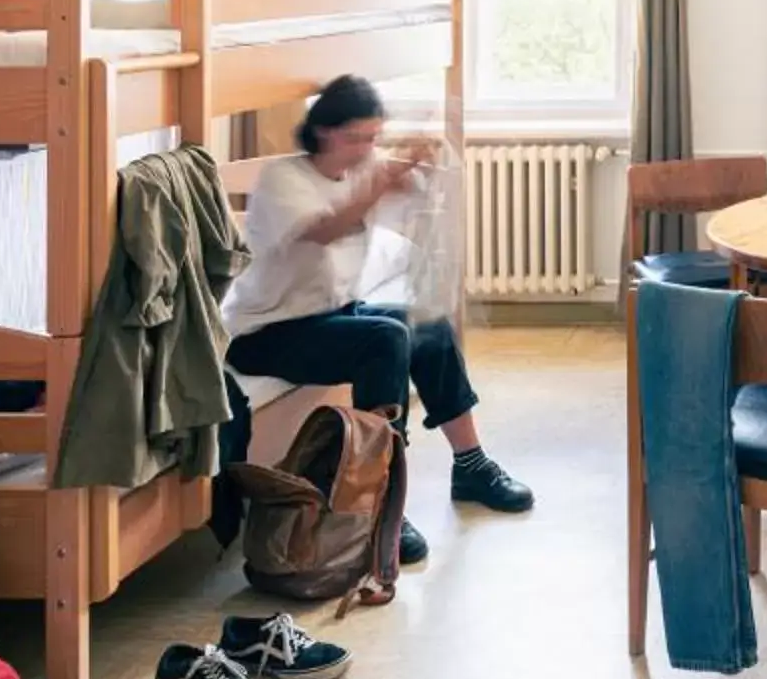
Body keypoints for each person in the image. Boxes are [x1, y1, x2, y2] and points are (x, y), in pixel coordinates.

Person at [219, 74, 533, 566]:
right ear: (325, 132)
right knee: (385, 339)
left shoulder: (360, 168)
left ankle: (470, 465)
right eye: (357, 138)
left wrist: (417, 162)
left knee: (427, 324)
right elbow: (326, 228)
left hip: (329, 316)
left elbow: (407, 187)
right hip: (267, 331)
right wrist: (381, 184)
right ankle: (378, 501)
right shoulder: (284, 180)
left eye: (373, 138)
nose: (368, 149)